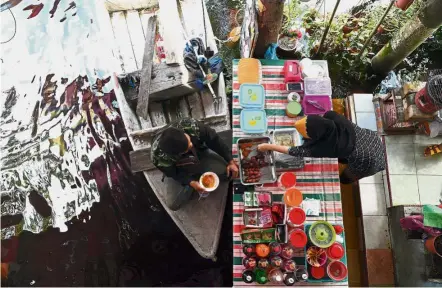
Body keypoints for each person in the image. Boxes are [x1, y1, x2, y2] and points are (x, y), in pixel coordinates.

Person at [258, 111, 385, 184]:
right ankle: (346, 159)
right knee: (345, 157)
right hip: (371, 138)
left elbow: (295, 151)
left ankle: (345, 180)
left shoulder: (328, 147)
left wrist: (268, 146)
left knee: (347, 177)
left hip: (369, 160)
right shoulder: (332, 116)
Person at [151, 118, 238, 211]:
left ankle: (197, 176)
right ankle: (194, 180)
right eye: (188, 147)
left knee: (227, 173)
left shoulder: (191, 126)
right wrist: (190, 182)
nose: (191, 144)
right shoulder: (159, 158)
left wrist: (230, 160)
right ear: (177, 154)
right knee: (173, 204)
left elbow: (214, 140)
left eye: (189, 140)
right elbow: (174, 173)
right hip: (180, 167)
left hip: (200, 153)